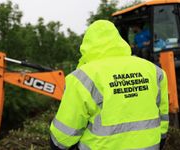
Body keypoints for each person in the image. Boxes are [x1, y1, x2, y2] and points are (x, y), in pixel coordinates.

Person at [50, 20, 169, 150]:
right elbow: (162, 118)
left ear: (87, 45)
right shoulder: (154, 71)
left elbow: (62, 137)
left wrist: (56, 144)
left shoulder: (81, 78)